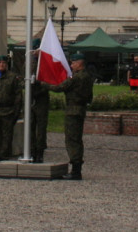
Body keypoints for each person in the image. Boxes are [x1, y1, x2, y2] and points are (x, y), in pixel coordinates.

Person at [45, 52, 95, 180]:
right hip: (80, 109)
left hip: (73, 110)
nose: (71, 65)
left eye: (73, 63)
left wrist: (43, 84)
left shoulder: (77, 78)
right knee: (76, 139)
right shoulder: (88, 76)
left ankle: (75, 170)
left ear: (79, 63)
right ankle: (76, 168)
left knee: (72, 140)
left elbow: (59, 87)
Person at [29, 39, 50, 163]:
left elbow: (48, 80)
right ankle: (31, 151)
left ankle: (39, 152)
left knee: (41, 128)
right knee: (30, 127)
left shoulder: (45, 64)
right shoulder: (29, 62)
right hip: (31, 97)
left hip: (41, 97)